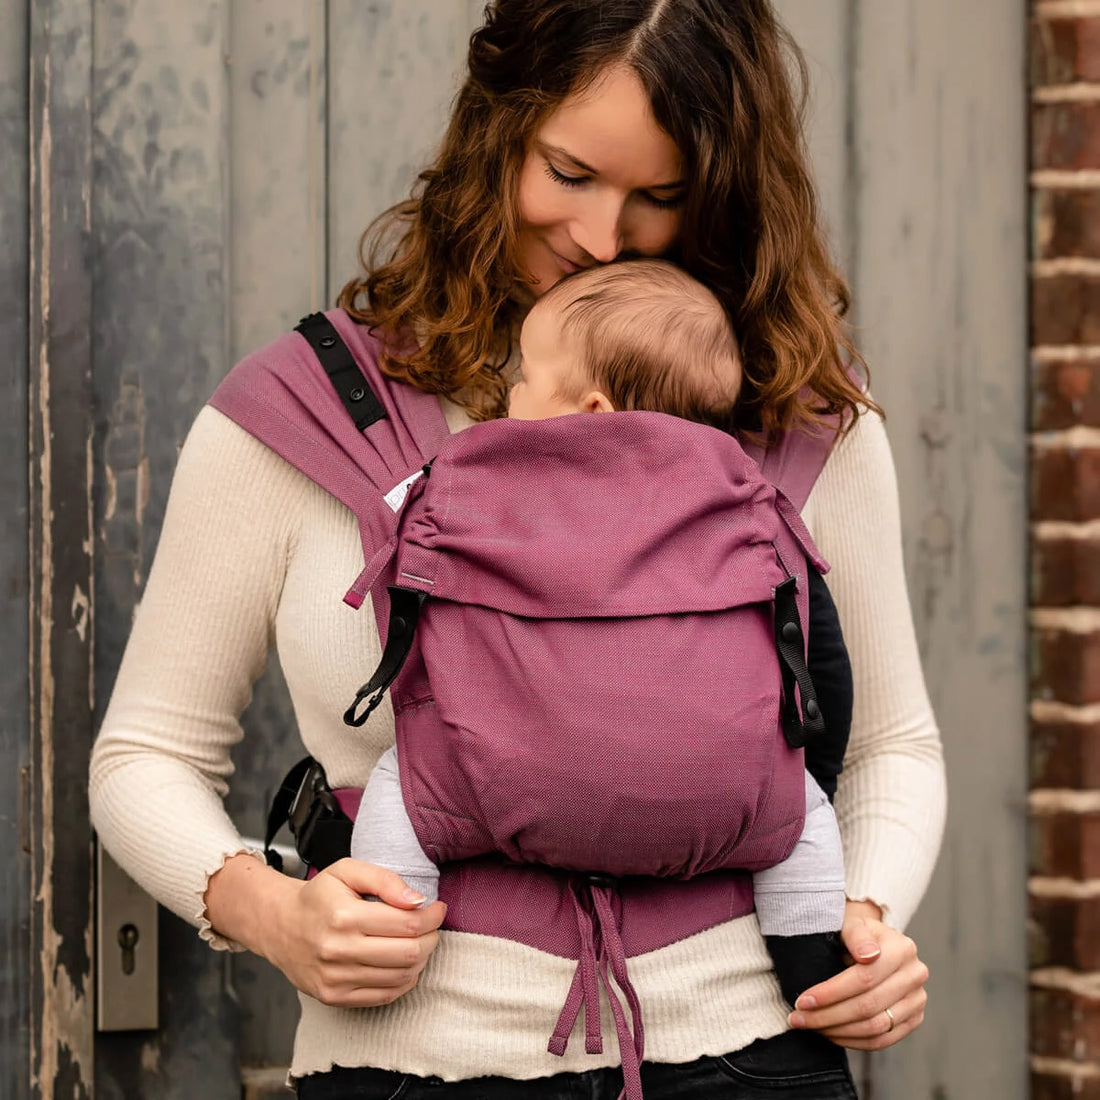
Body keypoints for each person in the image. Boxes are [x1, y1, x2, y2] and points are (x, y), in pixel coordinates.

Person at [89, 2, 945, 1097]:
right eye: (569, 171)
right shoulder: (305, 412)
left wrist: (857, 919)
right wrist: (272, 910)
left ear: (723, 191)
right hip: (407, 1059)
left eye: (657, 196)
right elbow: (142, 757)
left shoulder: (796, 414)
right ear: (497, 126)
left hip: (750, 1050)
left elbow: (888, 746)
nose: (598, 235)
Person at [351, 257, 851, 1011]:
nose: (507, 391)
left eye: (526, 374)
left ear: (589, 409)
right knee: (804, 814)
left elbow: (397, 539)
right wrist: (813, 766)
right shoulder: (745, 494)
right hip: (726, 804)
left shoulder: (476, 481)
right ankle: (811, 963)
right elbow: (825, 670)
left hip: (485, 790)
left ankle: (391, 940)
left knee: (399, 793)